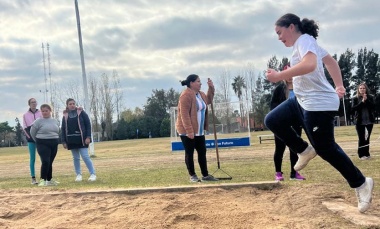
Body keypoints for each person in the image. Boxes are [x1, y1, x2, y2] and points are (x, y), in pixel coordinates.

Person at [264, 13, 373, 213]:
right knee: (273, 119)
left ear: (291, 27)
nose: (279, 38)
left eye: (280, 32)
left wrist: (279, 75)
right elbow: (330, 62)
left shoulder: (304, 40)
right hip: (301, 101)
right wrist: (339, 86)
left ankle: (361, 183)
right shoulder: (306, 43)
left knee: (325, 148)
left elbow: (310, 65)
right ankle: (303, 150)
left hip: (318, 104)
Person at [176, 74, 218, 182]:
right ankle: (193, 175)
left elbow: (208, 100)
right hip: (187, 131)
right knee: (190, 153)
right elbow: (184, 114)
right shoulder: (185, 95)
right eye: (198, 81)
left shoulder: (200, 94)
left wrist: (211, 88)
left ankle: (205, 175)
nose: (200, 83)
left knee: (202, 151)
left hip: (199, 130)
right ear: (191, 83)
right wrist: (189, 131)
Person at [270, 65, 305, 181]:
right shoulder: (279, 89)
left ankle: (294, 173)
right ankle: (278, 173)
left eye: (292, 74)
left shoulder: (299, 88)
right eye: (287, 75)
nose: (290, 77)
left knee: (294, 149)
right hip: (281, 124)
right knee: (279, 149)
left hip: (296, 123)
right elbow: (273, 106)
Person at [61, 98, 96, 182]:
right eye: (70, 104)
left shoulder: (82, 113)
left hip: (82, 139)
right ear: (67, 105)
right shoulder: (65, 115)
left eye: (73, 103)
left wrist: (88, 137)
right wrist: (64, 141)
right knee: (76, 158)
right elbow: (63, 129)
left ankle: (92, 174)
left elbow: (88, 125)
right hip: (71, 140)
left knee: (85, 156)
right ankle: (78, 175)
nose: (72, 105)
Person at [30, 104, 60, 187]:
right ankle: (42, 179)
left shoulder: (55, 121)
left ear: (50, 111)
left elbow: (57, 130)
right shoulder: (38, 121)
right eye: (43, 111)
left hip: (54, 143)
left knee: (50, 162)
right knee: (45, 161)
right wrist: (37, 141)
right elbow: (32, 132)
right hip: (42, 143)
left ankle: (49, 180)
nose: (44, 112)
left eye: (46, 111)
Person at [351, 83, 376, 160]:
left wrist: (366, 100)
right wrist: (362, 102)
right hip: (359, 122)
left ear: (366, 89)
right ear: (358, 90)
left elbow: (373, 107)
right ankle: (361, 155)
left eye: (363, 88)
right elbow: (354, 109)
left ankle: (367, 154)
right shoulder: (355, 98)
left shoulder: (370, 97)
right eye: (360, 88)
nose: (362, 90)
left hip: (369, 121)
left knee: (367, 138)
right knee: (361, 138)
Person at [23, 98, 43, 185]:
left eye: (35, 102)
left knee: (43, 157)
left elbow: (43, 124)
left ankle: (44, 177)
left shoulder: (41, 113)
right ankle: (33, 178)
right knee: (32, 158)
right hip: (31, 140)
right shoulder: (25, 115)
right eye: (32, 102)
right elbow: (24, 128)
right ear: (29, 104)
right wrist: (30, 137)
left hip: (40, 138)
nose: (34, 104)